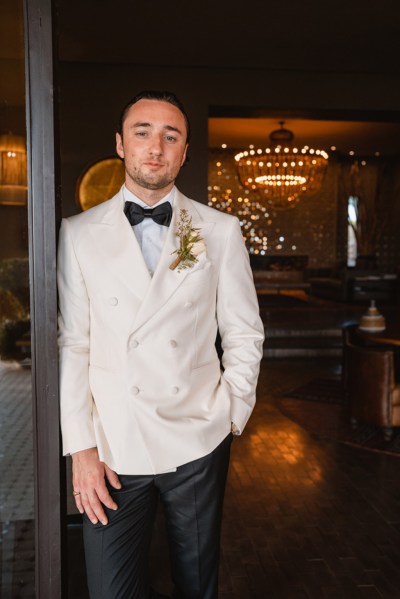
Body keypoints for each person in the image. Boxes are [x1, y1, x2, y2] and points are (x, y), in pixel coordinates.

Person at [57, 90, 264, 599]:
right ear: (121, 145)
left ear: (185, 150)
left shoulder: (220, 230)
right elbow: (73, 345)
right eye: (142, 133)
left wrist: (231, 413)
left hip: (197, 438)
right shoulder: (78, 233)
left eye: (170, 136)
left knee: (197, 584)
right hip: (112, 447)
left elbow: (243, 331)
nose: (156, 147)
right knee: (110, 589)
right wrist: (80, 447)